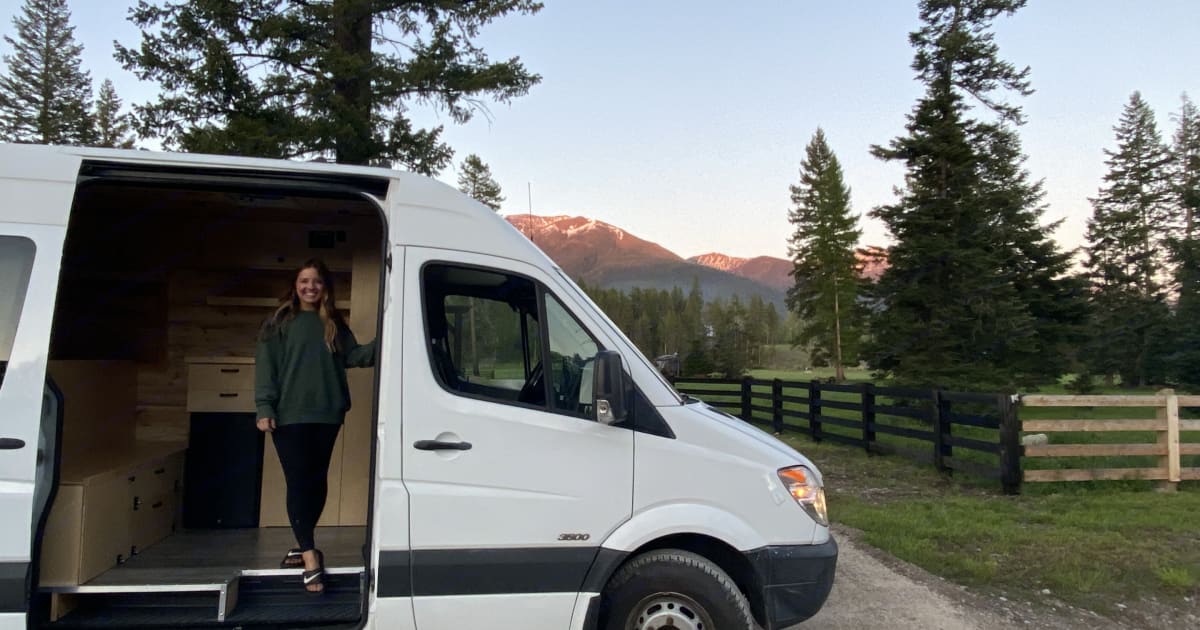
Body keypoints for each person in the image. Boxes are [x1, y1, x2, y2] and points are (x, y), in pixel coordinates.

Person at [254, 259, 376, 594]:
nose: (311, 287)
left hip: (328, 413)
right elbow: (266, 369)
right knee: (298, 481)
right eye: (305, 281)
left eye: (317, 281)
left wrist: (392, 336)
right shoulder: (278, 322)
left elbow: (356, 356)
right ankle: (309, 555)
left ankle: (303, 540)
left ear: (325, 287)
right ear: (295, 285)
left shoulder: (332, 322)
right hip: (289, 415)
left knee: (316, 481)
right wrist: (264, 406)